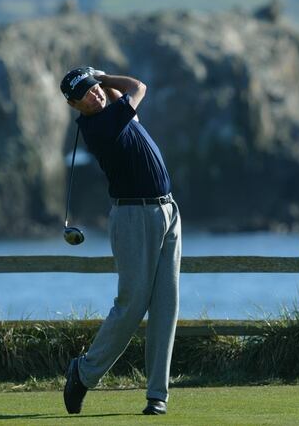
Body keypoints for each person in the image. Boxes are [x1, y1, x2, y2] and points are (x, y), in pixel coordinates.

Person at [59, 67, 181, 416]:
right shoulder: (98, 127)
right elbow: (138, 86)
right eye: (85, 92)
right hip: (134, 217)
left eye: (94, 88)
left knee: (166, 305)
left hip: (168, 211)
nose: (94, 93)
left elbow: (124, 102)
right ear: (74, 104)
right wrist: (105, 76)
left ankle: (157, 395)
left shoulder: (112, 114)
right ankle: (83, 373)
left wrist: (99, 84)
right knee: (131, 305)